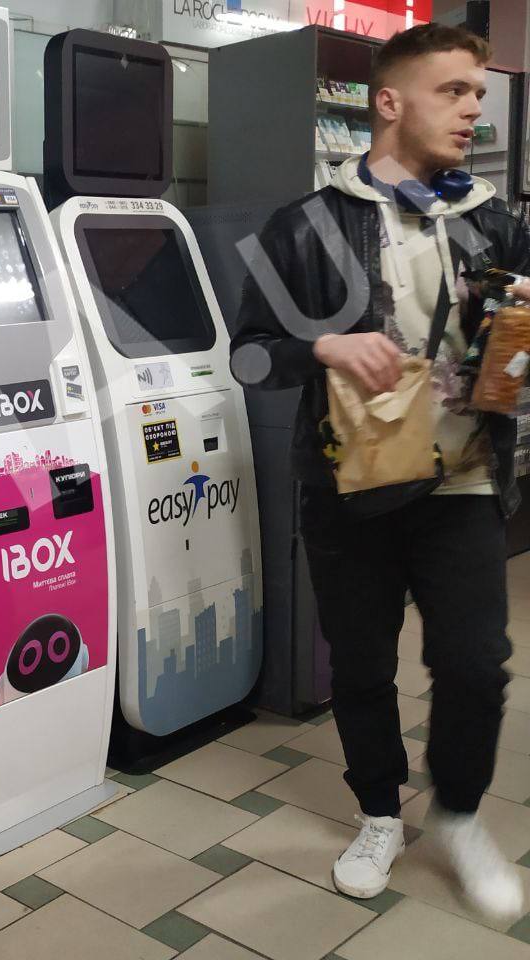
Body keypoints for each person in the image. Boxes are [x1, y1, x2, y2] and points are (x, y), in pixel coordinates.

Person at [231, 23, 530, 917]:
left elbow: (509, 359)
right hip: (349, 491)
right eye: (454, 91)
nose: (473, 110)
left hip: (462, 484)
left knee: (476, 664)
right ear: (390, 102)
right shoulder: (304, 225)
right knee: (359, 669)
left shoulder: (497, 222)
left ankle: (459, 815)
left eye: (479, 94)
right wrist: (322, 346)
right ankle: (378, 812)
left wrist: (517, 332)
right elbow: (248, 358)